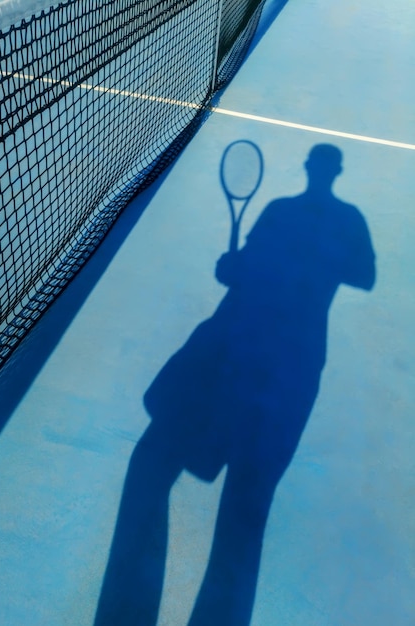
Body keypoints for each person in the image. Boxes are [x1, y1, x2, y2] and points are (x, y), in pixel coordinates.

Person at [95, 144, 376, 626]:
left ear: (315, 169)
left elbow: (359, 275)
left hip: (250, 362)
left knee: (188, 482)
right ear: (329, 171)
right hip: (280, 366)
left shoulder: (289, 213)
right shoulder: (332, 218)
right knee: (242, 512)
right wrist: (244, 269)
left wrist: (272, 265)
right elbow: (252, 269)